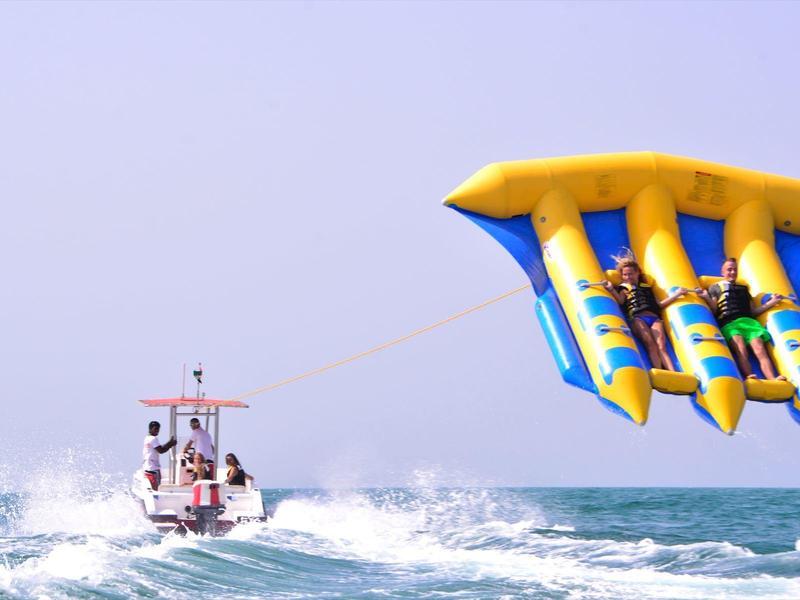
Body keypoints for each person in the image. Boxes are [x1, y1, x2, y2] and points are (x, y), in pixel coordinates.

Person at [697, 257, 786, 380]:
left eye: (735, 270)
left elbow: (753, 311)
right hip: (730, 322)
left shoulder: (744, 289)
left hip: (749, 322)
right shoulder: (715, 287)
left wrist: (772, 302)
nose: (733, 272)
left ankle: (772, 378)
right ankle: (750, 375)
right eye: (729, 270)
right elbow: (715, 309)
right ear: (722, 272)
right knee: (740, 347)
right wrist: (706, 297)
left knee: (760, 349)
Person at [602, 250, 688, 371]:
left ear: (637, 273)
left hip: (654, 318)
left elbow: (659, 305)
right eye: (625, 275)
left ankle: (673, 372)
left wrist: (676, 295)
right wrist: (611, 289)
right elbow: (621, 301)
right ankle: (660, 370)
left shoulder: (647, 288)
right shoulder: (624, 288)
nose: (628, 277)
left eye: (630, 274)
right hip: (638, 318)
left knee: (661, 346)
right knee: (650, 345)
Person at [142, 421, 177, 491]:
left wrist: (169, 443)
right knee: (156, 489)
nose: (157, 431)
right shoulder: (153, 439)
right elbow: (161, 450)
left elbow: (159, 447)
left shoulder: (147, 438)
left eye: (158, 429)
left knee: (153, 488)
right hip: (153, 469)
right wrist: (171, 444)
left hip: (147, 467)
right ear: (150, 429)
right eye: (155, 429)